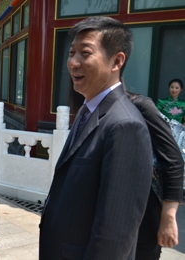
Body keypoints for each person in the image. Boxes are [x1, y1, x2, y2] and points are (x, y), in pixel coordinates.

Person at [39, 16, 153, 259]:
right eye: (71, 53)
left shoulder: (125, 125)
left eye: (85, 53)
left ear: (117, 61)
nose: (73, 62)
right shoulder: (88, 109)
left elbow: (115, 232)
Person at [126, 90, 184, 259]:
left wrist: (168, 216)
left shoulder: (140, 105)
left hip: (144, 215)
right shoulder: (89, 109)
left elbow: (173, 160)